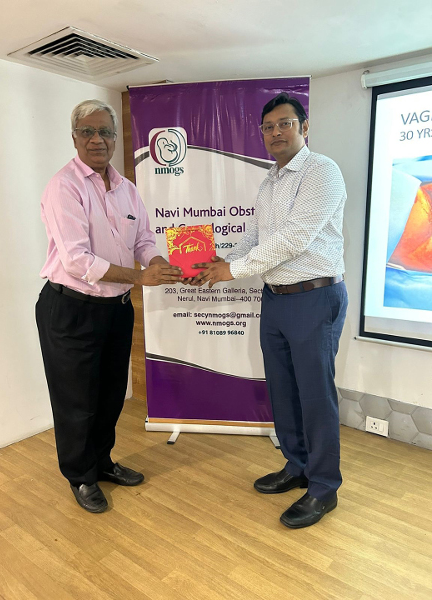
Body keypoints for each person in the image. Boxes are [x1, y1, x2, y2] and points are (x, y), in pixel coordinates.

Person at [192, 92, 348, 529]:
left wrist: (231, 270)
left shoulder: (322, 171)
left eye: (285, 123)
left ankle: (324, 487)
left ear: (304, 127)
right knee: (283, 390)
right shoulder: (270, 181)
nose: (275, 132)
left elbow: (294, 239)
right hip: (276, 298)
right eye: (268, 127)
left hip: (314, 297)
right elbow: (256, 238)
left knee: (315, 395)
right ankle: (297, 466)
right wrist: (218, 261)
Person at [36, 99, 182, 513]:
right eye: (88, 131)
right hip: (71, 309)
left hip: (115, 309)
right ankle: (80, 476)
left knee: (111, 394)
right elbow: (76, 260)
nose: (97, 139)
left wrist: (156, 261)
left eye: (105, 132)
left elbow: (144, 239)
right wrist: (140, 277)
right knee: (76, 401)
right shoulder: (64, 187)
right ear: (74, 138)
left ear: (116, 139)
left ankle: (102, 462)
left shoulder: (127, 189)